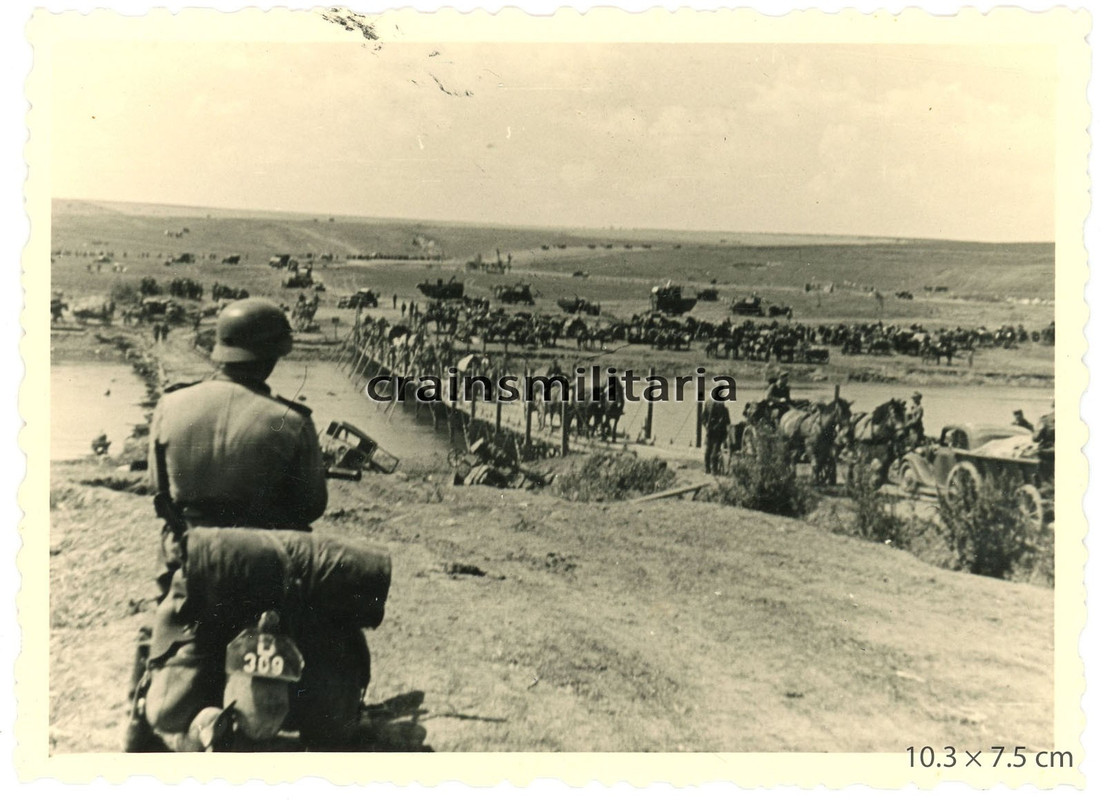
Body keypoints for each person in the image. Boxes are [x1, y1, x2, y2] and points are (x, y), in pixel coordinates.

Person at [129, 298, 329, 752]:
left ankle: (143, 716)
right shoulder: (289, 422)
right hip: (263, 567)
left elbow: (159, 490)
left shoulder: (172, 404)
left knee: (161, 628)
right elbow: (311, 505)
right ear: (274, 356)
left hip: (192, 561)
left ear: (220, 348)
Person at [703, 398, 732, 475]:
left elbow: (704, 417)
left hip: (712, 431)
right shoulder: (719, 404)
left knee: (710, 450)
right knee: (712, 451)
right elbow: (724, 420)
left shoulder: (709, 403)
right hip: (715, 432)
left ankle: (709, 469)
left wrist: (707, 425)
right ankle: (712, 470)